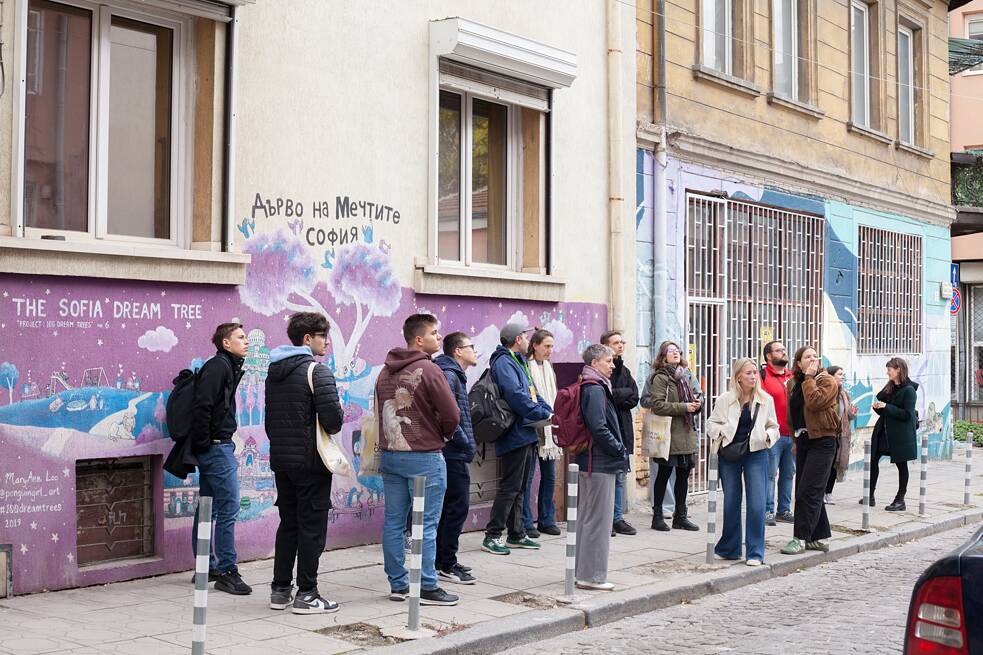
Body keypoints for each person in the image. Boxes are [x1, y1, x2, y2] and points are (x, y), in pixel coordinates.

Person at [376, 314, 460, 606]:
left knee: (393, 521)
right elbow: (452, 414)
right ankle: (426, 584)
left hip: (391, 455)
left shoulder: (385, 372)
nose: (439, 338)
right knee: (425, 524)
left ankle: (398, 584)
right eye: (435, 333)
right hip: (424, 456)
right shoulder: (429, 368)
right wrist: (445, 435)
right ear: (419, 339)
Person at [265, 312, 345, 614]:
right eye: (323, 335)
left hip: (283, 461)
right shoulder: (316, 371)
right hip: (312, 463)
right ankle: (308, 594)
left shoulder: (275, 371)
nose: (327, 341)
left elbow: (271, 420)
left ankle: (280, 590)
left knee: (289, 524)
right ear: (307, 339)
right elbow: (333, 422)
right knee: (312, 528)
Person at [481, 323, 553, 556]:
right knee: (510, 486)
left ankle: (516, 533)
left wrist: (547, 410)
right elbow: (516, 395)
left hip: (526, 431)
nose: (526, 340)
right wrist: (542, 413)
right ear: (516, 339)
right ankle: (492, 535)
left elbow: (532, 392)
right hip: (514, 432)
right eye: (524, 336)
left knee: (521, 486)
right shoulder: (504, 362)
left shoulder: (517, 360)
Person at [191, 323, 250, 594]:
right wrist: (206, 444)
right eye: (240, 337)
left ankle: (206, 565)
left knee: (209, 507)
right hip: (216, 448)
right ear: (226, 343)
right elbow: (202, 404)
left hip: (215, 446)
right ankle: (227, 570)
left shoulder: (227, 365)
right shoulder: (219, 366)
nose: (246, 341)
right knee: (228, 507)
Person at [707, 358, 780, 566]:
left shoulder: (765, 400)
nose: (753, 376)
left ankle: (755, 552)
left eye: (755, 372)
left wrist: (767, 437)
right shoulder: (725, 399)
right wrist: (722, 432)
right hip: (729, 454)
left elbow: (774, 426)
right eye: (748, 373)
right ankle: (729, 548)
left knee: (757, 503)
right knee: (731, 501)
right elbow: (710, 424)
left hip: (756, 454)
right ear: (738, 375)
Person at [574, 344, 630, 590]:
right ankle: (592, 576)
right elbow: (598, 426)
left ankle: (582, 572)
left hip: (593, 461)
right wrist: (619, 448)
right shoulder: (595, 389)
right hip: (599, 462)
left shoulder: (592, 385)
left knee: (589, 520)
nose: (613, 365)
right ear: (595, 363)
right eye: (608, 361)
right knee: (599, 521)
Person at [781, 346, 841, 555]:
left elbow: (815, 403)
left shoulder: (826, 381)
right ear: (798, 363)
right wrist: (794, 437)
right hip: (804, 439)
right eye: (808, 357)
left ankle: (801, 538)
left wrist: (809, 378)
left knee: (809, 490)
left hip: (824, 439)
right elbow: (792, 413)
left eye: (815, 356)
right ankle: (817, 536)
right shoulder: (793, 383)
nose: (813, 359)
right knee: (805, 488)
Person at [641, 340, 702, 532]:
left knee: (684, 476)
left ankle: (680, 517)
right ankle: (657, 516)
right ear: (663, 355)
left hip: (686, 432)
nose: (675, 353)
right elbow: (657, 405)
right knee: (664, 474)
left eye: (677, 350)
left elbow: (696, 396)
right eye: (670, 351)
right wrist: (684, 407)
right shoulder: (660, 377)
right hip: (667, 434)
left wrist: (698, 404)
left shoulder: (687, 374)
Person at [434, 332, 478, 584]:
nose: (475, 350)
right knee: (456, 507)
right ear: (458, 351)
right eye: (470, 346)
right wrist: (464, 441)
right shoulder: (450, 375)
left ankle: (444, 559)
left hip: (453, 450)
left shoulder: (453, 374)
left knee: (450, 508)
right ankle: (446, 563)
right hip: (452, 452)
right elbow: (446, 415)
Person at [522, 329, 563, 539]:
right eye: (546, 346)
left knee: (550, 476)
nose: (550, 350)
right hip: (532, 427)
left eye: (552, 346)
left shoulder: (549, 368)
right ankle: (527, 522)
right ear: (535, 345)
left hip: (549, 429)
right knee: (527, 478)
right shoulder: (525, 367)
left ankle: (547, 520)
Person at [864, 358, 918, 512]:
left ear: (898, 370)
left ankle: (900, 499)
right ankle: (870, 495)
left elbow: (908, 415)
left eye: (890, 369)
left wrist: (887, 407)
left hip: (900, 434)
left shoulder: (908, 391)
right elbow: (885, 408)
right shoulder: (891, 387)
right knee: (873, 459)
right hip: (884, 431)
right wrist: (879, 407)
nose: (887, 372)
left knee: (902, 465)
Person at [600, 330, 639, 536]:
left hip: (623, 426)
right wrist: (622, 395)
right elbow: (604, 397)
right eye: (616, 342)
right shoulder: (601, 371)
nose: (621, 345)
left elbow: (635, 397)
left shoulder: (624, 371)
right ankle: (608, 518)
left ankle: (617, 518)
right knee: (608, 475)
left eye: (622, 342)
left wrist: (619, 395)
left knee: (621, 475)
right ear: (606, 345)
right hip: (608, 428)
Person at [760, 341, 794, 526]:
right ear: (768, 356)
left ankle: (784, 510)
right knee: (770, 474)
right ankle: (767, 510)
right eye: (779, 350)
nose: (783, 352)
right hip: (773, 434)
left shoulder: (792, 376)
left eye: (784, 350)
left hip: (792, 434)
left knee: (788, 474)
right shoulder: (762, 376)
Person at [825, 366, 857, 504]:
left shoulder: (843, 394)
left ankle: (828, 492)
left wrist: (853, 412)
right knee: (826, 464)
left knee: (835, 464)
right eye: (839, 374)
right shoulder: (826, 392)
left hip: (841, 434)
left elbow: (848, 414)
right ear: (831, 376)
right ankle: (820, 492)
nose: (842, 377)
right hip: (827, 433)